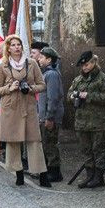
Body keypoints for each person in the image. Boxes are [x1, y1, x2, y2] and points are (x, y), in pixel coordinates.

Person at [0, 34, 48, 186]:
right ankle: (19, 174)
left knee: (34, 140)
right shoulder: (3, 66)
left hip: (28, 107)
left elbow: (42, 85)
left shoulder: (32, 63)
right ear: (8, 48)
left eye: (19, 44)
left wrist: (30, 88)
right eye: (13, 45)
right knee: (13, 141)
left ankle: (42, 174)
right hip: (10, 108)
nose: (17, 47)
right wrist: (9, 88)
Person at [67, 50, 105, 189]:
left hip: (99, 122)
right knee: (86, 150)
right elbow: (69, 94)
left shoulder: (103, 78)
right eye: (83, 65)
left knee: (99, 150)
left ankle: (98, 177)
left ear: (93, 62)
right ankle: (90, 175)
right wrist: (73, 96)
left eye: (87, 64)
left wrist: (89, 96)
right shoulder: (78, 79)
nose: (84, 67)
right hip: (82, 122)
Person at [36, 46, 64, 182]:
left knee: (50, 144)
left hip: (50, 117)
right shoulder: (46, 74)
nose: (39, 59)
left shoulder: (51, 75)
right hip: (44, 116)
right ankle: (49, 169)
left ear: (49, 59)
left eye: (41, 57)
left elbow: (52, 98)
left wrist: (49, 117)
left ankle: (55, 172)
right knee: (46, 143)